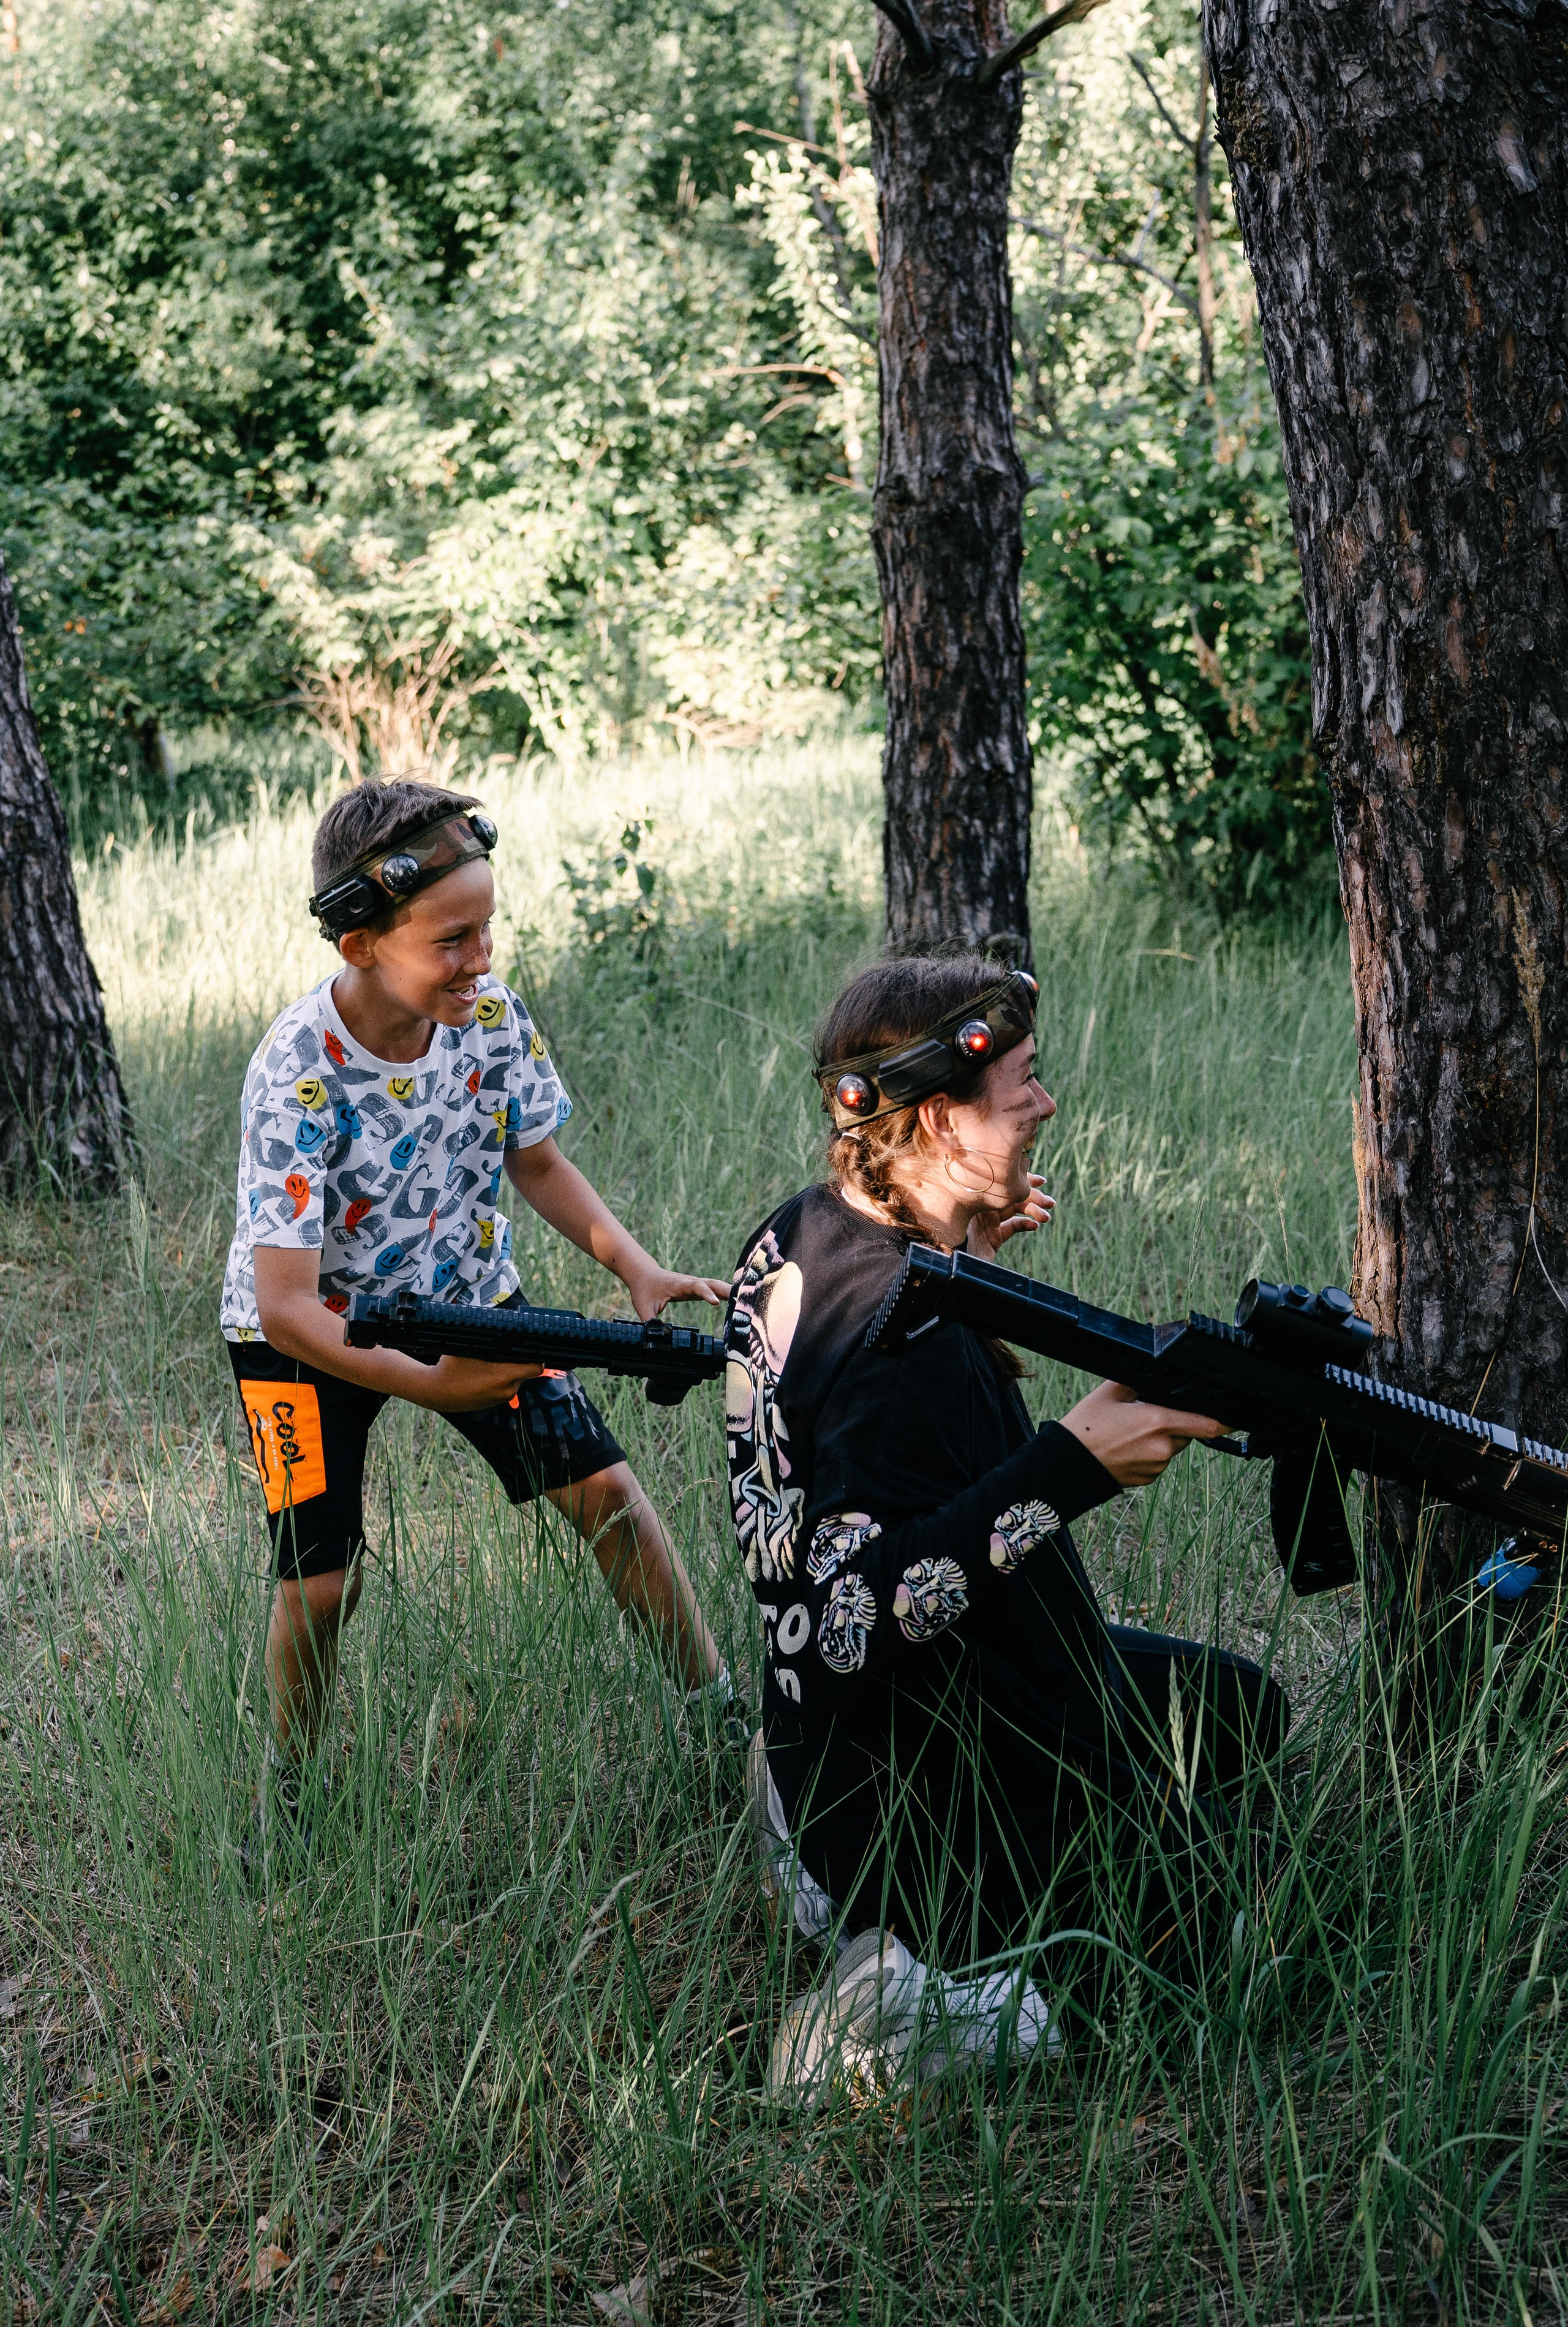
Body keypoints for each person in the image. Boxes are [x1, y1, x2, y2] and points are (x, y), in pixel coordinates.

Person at [725, 952, 1290, 2048]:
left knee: (1242, 1716)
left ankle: (804, 1829)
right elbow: (854, 1622)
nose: (1045, 1103)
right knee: (1224, 1916)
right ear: (939, 1119)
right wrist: (1072, 1466)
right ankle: (898, 2017)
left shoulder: (808, 1230)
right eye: (1021, 1083)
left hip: (847, 1727)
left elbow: (875, 1469)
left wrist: (971, 1245)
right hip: (916, 1775)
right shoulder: (904, 1342)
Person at [224, 777, 728, 1842]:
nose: (482, 958)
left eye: (489, 927)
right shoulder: (294, 1069)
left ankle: (720, 1718)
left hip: (472, 1304)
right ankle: (292, 1788)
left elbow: (536, 1160)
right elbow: (282, 1304)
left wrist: (632, 1266)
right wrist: (426, 1385)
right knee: (322, 1586)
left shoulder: (489, 1020)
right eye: (451, 939)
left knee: (612, 1502)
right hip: (306, 1336)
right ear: (359, 942)